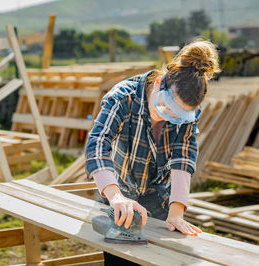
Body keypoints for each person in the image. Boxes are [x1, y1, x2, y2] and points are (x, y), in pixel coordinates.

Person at [85, 39, 220, 265]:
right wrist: (116, 196)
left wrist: (176, 211)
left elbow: (183, 157)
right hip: (117, 191)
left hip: (158, 196)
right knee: (121, 261)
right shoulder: (123, 97)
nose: (166, 116)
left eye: (177, 115)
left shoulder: (189, 110)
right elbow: (98, 143)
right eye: (165, 106)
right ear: (159, 82)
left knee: (161, 258)